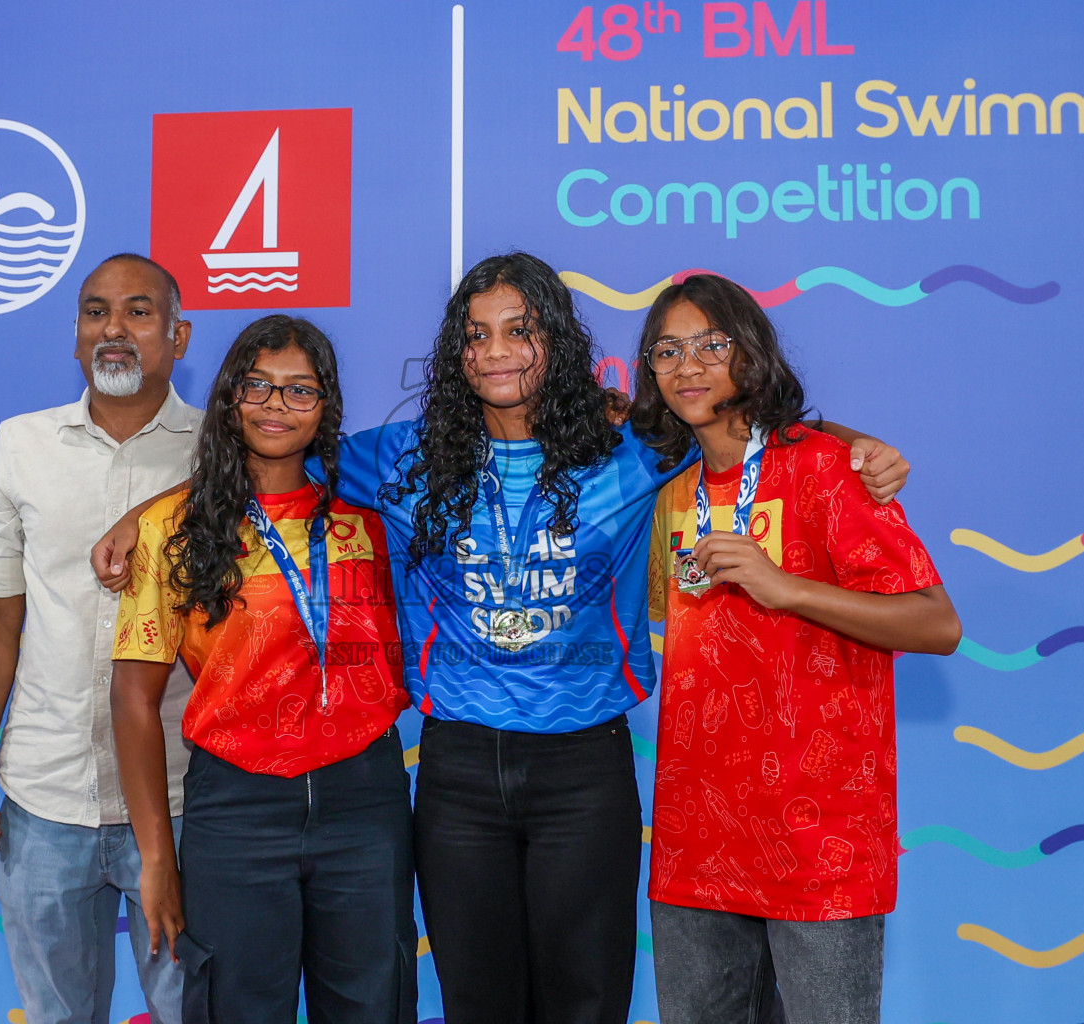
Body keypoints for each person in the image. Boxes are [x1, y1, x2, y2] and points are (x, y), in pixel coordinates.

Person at [92, 252, 907, 1024]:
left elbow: (738, 423)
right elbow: (273, 446)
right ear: (455, 351)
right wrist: (148, 512)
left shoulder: (628, 447)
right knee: (478, 1004)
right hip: (458, 777)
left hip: (584, 769)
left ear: (555, 340)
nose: (496, 352)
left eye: (519, 330)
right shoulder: (405, 458)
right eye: (475, 334)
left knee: (585, 1004)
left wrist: (854, 443)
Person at [636, 273, 961, 1024]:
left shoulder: (827, 469)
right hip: (697, 840)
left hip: (820, 843)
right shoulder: (669, 490)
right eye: (667, 350)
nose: (688, 366)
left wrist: (790, 590)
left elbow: (937, 623)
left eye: (711, 345)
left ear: (749, 354)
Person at [109, 315, 415, 1024]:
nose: (277, 406)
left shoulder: (370, 517)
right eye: (259, 386)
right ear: (229, 397)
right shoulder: (173, 530)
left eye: (300, 391)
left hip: (364, 801)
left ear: (327, 407)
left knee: (375, 1004)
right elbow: (132, 699)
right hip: (235, 810)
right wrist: (158, 859)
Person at [0, 254, 196, 1024]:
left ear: (180, 335)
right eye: (96, 312)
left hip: (185, 798)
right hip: (41, 798)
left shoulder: (224, 447)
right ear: (76, 334)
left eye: (138, 311)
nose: (113, 329)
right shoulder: (21, 444)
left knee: (198, 1011)